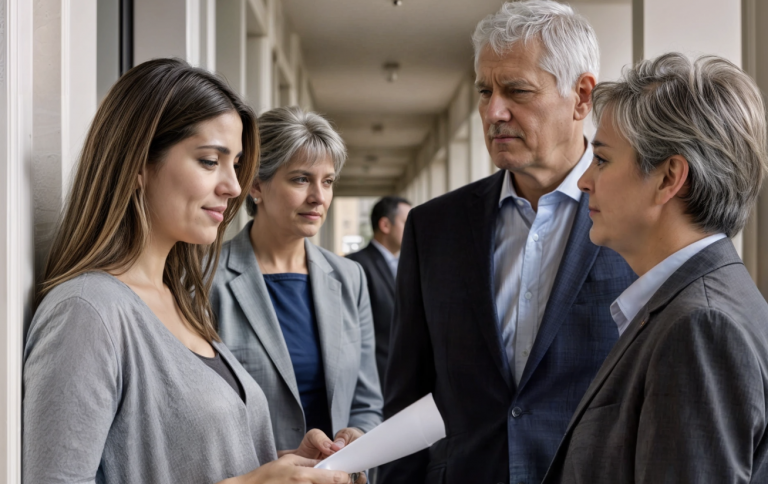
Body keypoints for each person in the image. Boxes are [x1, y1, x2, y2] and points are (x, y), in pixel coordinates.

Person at [23, 58, 360, 484]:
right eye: (208, 161)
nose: (234, 186)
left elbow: (187, 457)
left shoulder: (180, 299)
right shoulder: (87, 313)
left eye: (235, 164)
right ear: (138, 165)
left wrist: (286, 464)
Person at [379, 2, 637, 483]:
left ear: (582, 97)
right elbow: (407, 401)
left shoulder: (637, 220)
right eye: (485, 91)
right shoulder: (433, 227)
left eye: (517, 90)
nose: (494, 112)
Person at [542, 53, 768, 484]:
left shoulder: (701, 327)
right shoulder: (695, 306)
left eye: (602, 159)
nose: (584, 180)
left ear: (669, 178)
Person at [211, 106, 383, 456]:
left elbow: (367, 402)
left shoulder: (350, 278)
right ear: (256, 184)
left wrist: (357, 438)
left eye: (328, 181)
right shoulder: (204, 280)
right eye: (301, 179)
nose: (319, 197)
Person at [347, 196, 411, 386]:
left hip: (403, 378)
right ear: (385, 225)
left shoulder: (408, 264)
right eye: (407, 223)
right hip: (374, 378)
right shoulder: (354, 265)